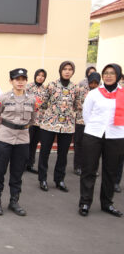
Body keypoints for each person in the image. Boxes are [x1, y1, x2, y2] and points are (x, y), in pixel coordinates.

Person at [79, 64, 124, 217]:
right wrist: (94, 127)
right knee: (89, 170)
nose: (109, 76)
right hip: (93, 135)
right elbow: (86, 113)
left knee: (110, 171)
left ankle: (107, 203)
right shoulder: (95, 93)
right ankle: (85, 202)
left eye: (112, 73)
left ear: (118, 75)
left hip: (116, 136)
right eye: (106, 73)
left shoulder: (123, 93)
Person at [0, 68, 37, 216]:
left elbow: (33, 119)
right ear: (11, 81)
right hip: (4, 138)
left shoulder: (31, 99)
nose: (20, 82)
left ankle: (14, 201)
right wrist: (5, 129)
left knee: (17, 172)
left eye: (23, 79)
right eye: (17, 79)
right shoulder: (3, 98)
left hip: (22, 139)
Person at [37, 61, 81, 192]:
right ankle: (42, 179)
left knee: (63, 155)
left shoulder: (75, 88)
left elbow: (77, 105)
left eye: (70, 69)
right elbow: (43, 103)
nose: (67, 71)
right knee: (45, 152)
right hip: (49, 124)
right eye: (65, 69)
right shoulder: (51, 85)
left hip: (67, 126)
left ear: (73, 71)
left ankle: (59, 180)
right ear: (60, 70)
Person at [74, 71, 101, 176]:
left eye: (96, 83)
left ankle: (93, 168)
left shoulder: (101, 93)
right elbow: (77, 104)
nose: (93, 85)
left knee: (94, 148)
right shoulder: (81, 90)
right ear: (88, 81)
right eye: (91, 82)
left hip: (95, 124)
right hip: (81, 121)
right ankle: (78, 166)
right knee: (79, 145)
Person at [25, 69, 47, 174]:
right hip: (29, 120)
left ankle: (30, 164)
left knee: (34, 143)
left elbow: (47, 104)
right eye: (38, 75)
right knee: (26, 143)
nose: (40, 77)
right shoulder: (28, 87)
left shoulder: (46, 89)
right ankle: (21, 164)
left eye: (43, 76)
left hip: (40, 121)